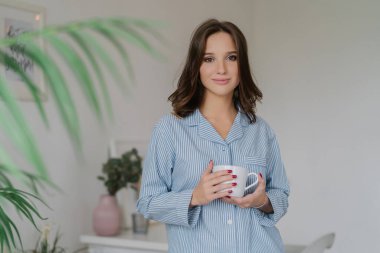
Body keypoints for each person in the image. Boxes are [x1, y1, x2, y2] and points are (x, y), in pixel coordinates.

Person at [137, 19, 289, 253]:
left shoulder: (261, 131)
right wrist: (195, 196)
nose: (221, 69)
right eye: (209, 59)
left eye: (231, 57)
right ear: (196, 66)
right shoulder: (169, 130)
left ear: (242, 65)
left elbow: (281, 194)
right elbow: (148, 203)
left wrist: (261, 201)